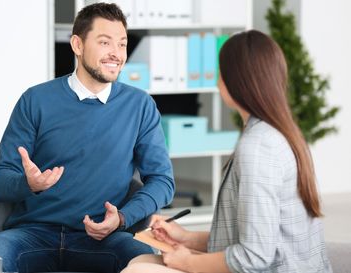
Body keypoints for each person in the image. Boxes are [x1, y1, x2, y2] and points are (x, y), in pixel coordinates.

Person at [0, 3, 175, 273]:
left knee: (148, 262)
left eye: (122, 44)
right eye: (105, 42)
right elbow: (0, 181)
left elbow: (163, 181)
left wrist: (122, 217)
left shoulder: (139, 105)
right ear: (77, 45)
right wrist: (30, 184)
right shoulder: (35, 100)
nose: (116, 54)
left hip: (102, 238)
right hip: (33, 234)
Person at [122, 30, 332, 273]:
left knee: (138, 269)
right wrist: (186, 238)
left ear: (235, 80)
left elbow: (254, 256)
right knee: (140, 262)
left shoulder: (259, 147)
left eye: (221, 71)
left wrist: (187, 261)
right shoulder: (281, 133)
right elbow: (252, 236)